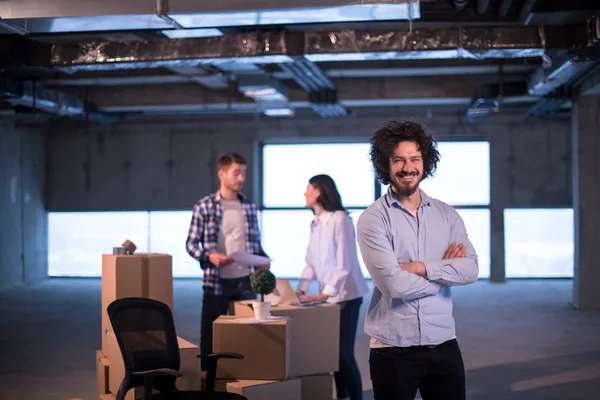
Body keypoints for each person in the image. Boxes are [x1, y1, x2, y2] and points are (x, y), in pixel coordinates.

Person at [356, 121, 479, 400]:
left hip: (444, 343)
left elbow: (471, 270)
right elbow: (393, 286)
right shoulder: (373, 219)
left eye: (414, 159)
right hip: (393, 349)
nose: (407, 167)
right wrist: (442, 277)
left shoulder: (447, 215)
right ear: (385, 165)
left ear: (425, 162)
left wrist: (420, 268)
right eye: (398, 160)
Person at [186, 152, 270, 369]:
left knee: (248, 333)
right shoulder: (204, 206)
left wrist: (263, 259)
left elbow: (254, 244)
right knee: (210, 338)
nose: (241, 178)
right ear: (221, 174)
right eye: (236, 173)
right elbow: (191, 245)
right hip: (216, 282)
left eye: (243, 173)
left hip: (245, 281)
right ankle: (209, 382)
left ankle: (245, 377)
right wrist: (210, 256)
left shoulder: (249, 207)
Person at [296, 174, 369, 400]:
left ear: (319, 191)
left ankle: (355, 397)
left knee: (343, 354)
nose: (305, 193)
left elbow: (344, 264)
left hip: (346, 295)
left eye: (308, 188)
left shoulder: (340, 219)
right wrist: (301, 288)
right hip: (329, 296)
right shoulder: (316, 222)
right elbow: (311, 262)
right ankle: (342, 397)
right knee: (333, 354)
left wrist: (323, 294)